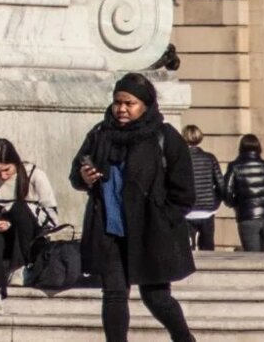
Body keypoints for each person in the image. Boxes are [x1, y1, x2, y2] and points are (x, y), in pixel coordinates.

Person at [71, 72, 197, 342]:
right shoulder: (100, 133)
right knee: (114, 294)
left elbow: (184, 192)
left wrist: (164, 219)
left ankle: (184, 338)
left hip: (151, 231)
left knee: (156, 297)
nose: (122, 109)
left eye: (130, 103)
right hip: (110, 230)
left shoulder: (165, 137)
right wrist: (83, 176)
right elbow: (77, 172)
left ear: (145, 105)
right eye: (118, 102)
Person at [0, 137, 60, 316]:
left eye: (6, 170)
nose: (2, 176)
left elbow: (52, 218)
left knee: (19, 208)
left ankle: (18, 266)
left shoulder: (34, 175)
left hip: (29, 239)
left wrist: (13, 214)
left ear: (15, 162)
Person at [220, 134, 264, 254]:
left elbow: (226, 192)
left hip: (247, 216)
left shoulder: (234, 166)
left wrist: (236, 204)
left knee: (252, 258)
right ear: (259, 148)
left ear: (241, 148)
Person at [178, 126, 221, 251]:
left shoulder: (179, 159)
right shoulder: (209, 158)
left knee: (186, 249)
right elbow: (220, 184)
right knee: (208, 247)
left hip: (187, 209)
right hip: (207, 209)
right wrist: (215, 203)